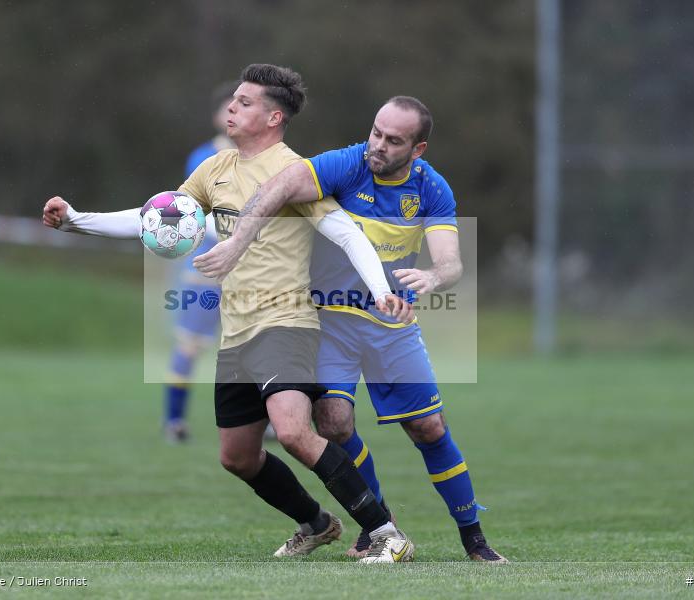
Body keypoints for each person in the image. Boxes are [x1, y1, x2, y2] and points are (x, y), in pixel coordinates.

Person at [42, 64, 417, 563]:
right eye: (232, 100)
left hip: (286, 320)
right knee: (237, 457)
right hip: (237, 330)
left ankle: (386, 532)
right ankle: (316, 523)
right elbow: (157, 216)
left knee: (292, 431)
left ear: (273, 116)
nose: (231, 108)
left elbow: (347, 234)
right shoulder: (214, 169)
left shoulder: (295, 173)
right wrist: (75, 221)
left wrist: (380, 291)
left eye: (244, 102)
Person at [194, 96, 508, 563]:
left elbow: (450, 262)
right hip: (330, 324)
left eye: (393, 140)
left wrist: (433, 278)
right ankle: (379, 528)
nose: (378, 145)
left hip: (390, 325)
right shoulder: (346, 164)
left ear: (417, 149)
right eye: (376, 132)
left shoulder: (431, 189)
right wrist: (238, 241)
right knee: (334, 423)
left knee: (428, 427)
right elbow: (280, 185)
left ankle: (474, 538)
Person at [163, 82, 234, 443]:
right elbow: (192, 209)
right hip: (206, 270)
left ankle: (267, 422)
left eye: (242, 106)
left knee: (257, 346)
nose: (235, 114)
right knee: (189, 345)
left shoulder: (268, 161)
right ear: (216, 116)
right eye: (229, 107)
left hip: (250, 272)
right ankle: (173, 421)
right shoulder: (203, 157)